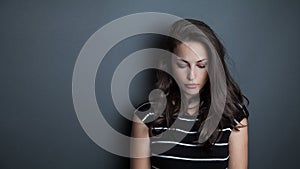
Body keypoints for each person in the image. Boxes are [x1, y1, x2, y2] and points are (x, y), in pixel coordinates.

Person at [130, 19, 249, 169]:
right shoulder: (146, 117)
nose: (191, 75)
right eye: (182, 65)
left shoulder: (234, 118)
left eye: (201, 65)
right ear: (168, 64)